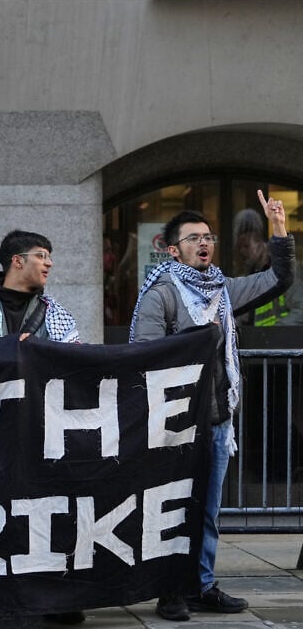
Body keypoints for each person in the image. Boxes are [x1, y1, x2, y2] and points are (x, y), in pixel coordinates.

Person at [129, 191, 295, 622]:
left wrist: (278, 227)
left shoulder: (222, 289)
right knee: (172, 508)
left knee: (208, 510)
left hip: (218, 420)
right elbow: (144, 357)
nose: (204, 243)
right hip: (176, 424)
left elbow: (278, 278)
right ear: (172, 249)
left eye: (209, 237)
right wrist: (205, 338)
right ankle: (170, 592)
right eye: (193, 238)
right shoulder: (160, 295)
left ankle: (201, 585)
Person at [0, 230, 83, 626]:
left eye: (50, 256)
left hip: (41, 431)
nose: (50, 263)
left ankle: (53, 597)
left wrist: (34, 352)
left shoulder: (56, 312)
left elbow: (75, 361)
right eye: (42, 255)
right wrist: (11, 352)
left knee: (46, 512)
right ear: (16, 261)